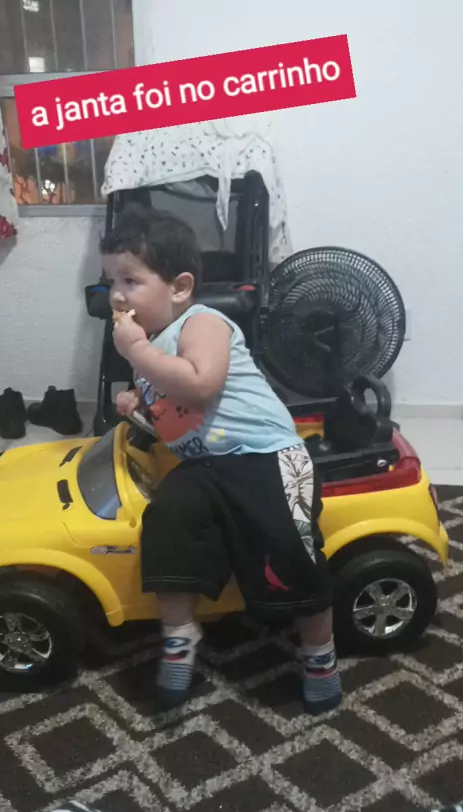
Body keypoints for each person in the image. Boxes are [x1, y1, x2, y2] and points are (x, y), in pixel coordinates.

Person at [101, 202, 342, 716]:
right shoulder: (150, 349)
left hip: (267, 455)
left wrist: (137, 353)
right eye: (111, 282)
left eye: (130, 281)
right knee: (167, 519)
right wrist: (137, 404)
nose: (116, 295)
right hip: (206, 466)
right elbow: (173, 416)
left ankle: (319, 652)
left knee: (291, 543)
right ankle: (179, 635)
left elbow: (201, 386)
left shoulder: (203, 323)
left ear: (180, 287)